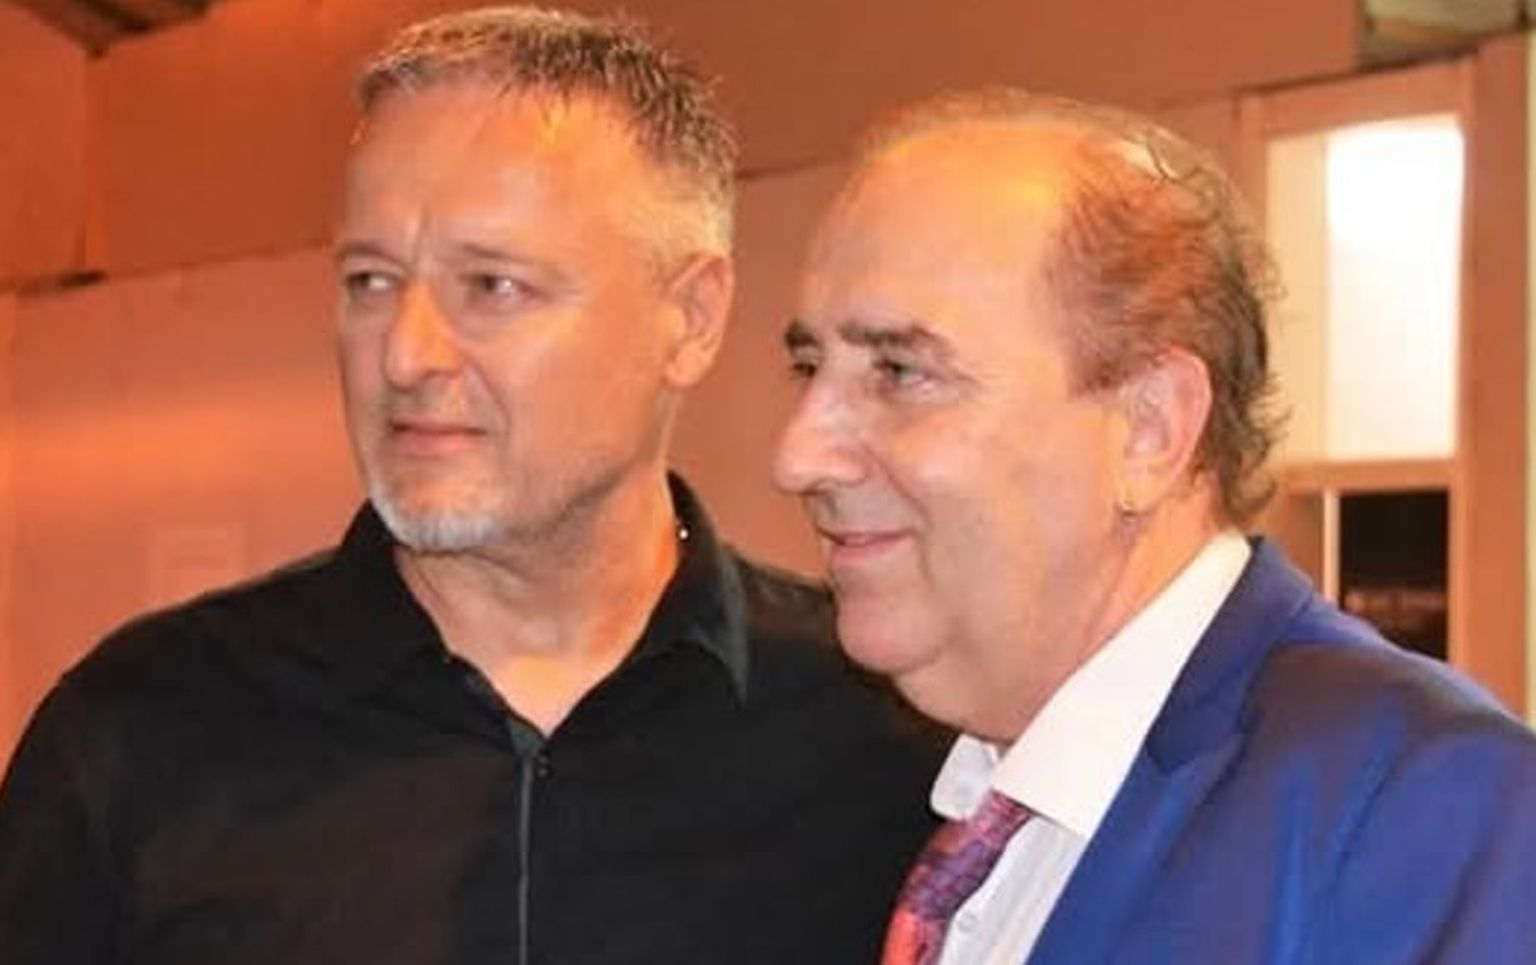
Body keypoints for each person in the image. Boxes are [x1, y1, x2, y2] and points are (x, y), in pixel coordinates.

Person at [0, 8, 942, 964]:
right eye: (371, 281)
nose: (404, 355)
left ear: (690, 317)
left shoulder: (892, 743)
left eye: (492, 286)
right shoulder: (136, 736)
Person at [773, 88, 1536, 965]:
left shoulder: (1423, 812)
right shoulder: (928, 799)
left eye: (900, 372)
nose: (797, 455)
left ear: (1149, 428)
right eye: (808, 366)